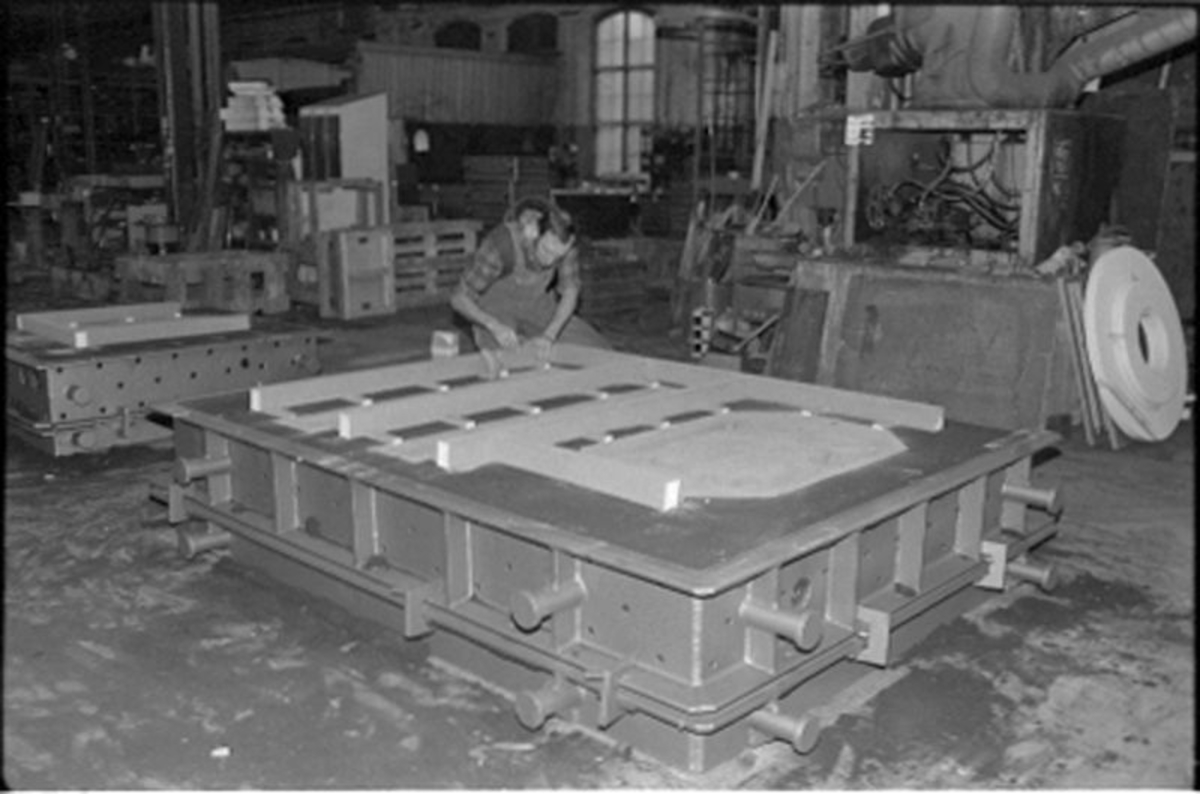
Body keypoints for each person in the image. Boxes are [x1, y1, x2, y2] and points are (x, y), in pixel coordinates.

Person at [450, 196, 610, 361]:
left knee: (598, 351)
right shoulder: (501, 243)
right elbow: (459, 298)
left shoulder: (565, 245)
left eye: (558, 257)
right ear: (534, 233)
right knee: (511, 360)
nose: (550, 261)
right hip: (496, 312)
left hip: (537, 307)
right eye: (546, 250)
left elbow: (570, 292)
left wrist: (549, 335)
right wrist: (492, 325)